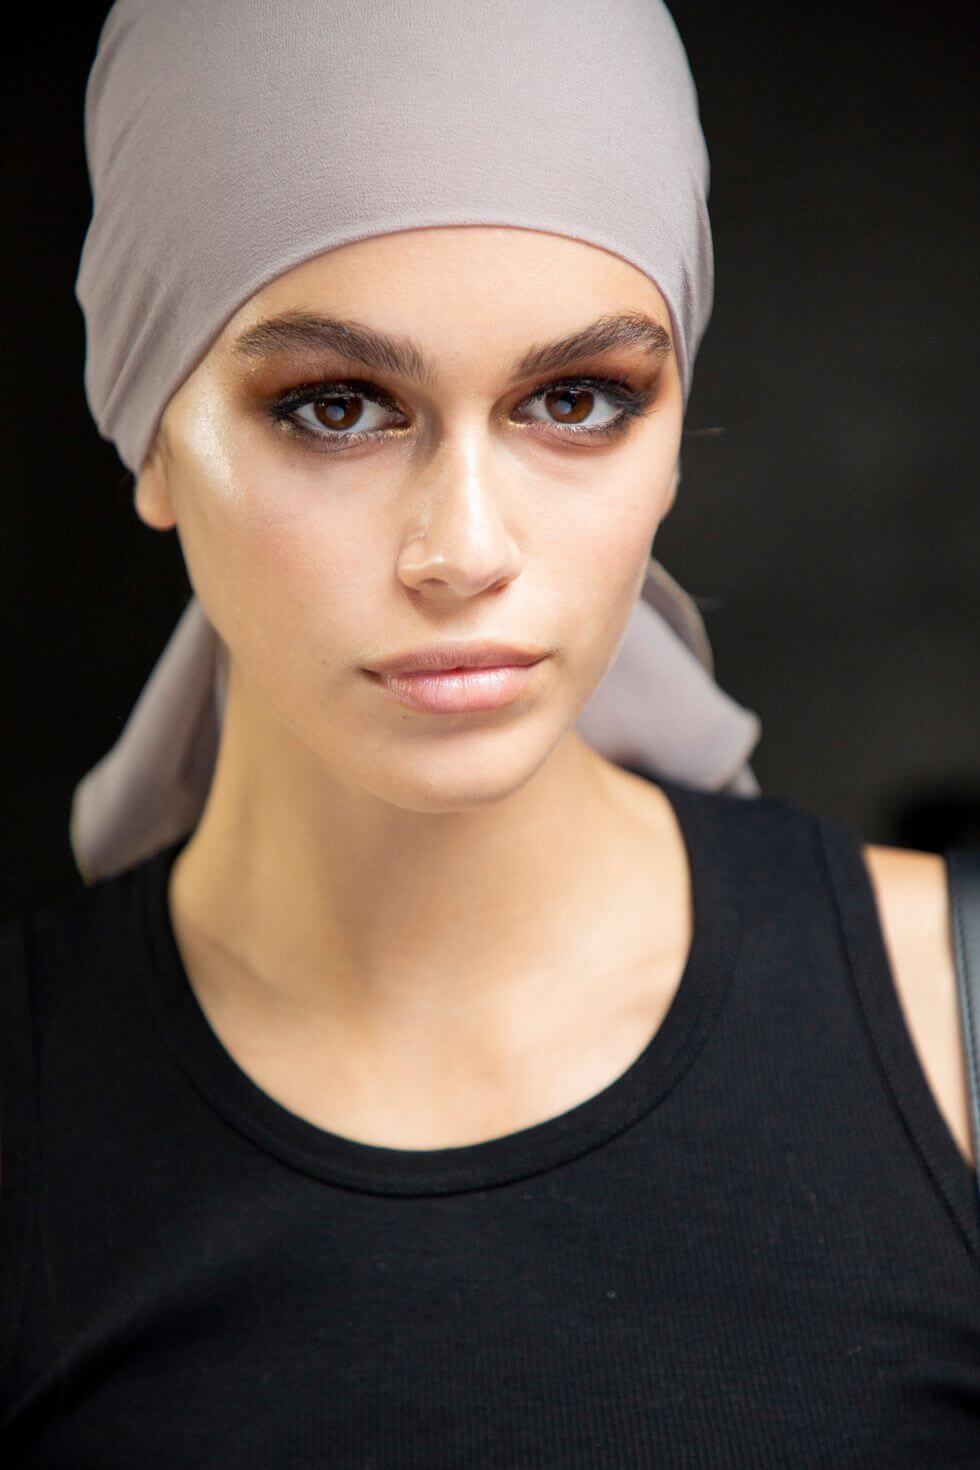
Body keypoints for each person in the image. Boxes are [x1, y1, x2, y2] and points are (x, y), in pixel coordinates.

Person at [1, 1, 978, 1463]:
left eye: (577, 399)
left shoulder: (961, 1022)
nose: (464, 551)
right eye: (338, 407)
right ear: (148, 428)